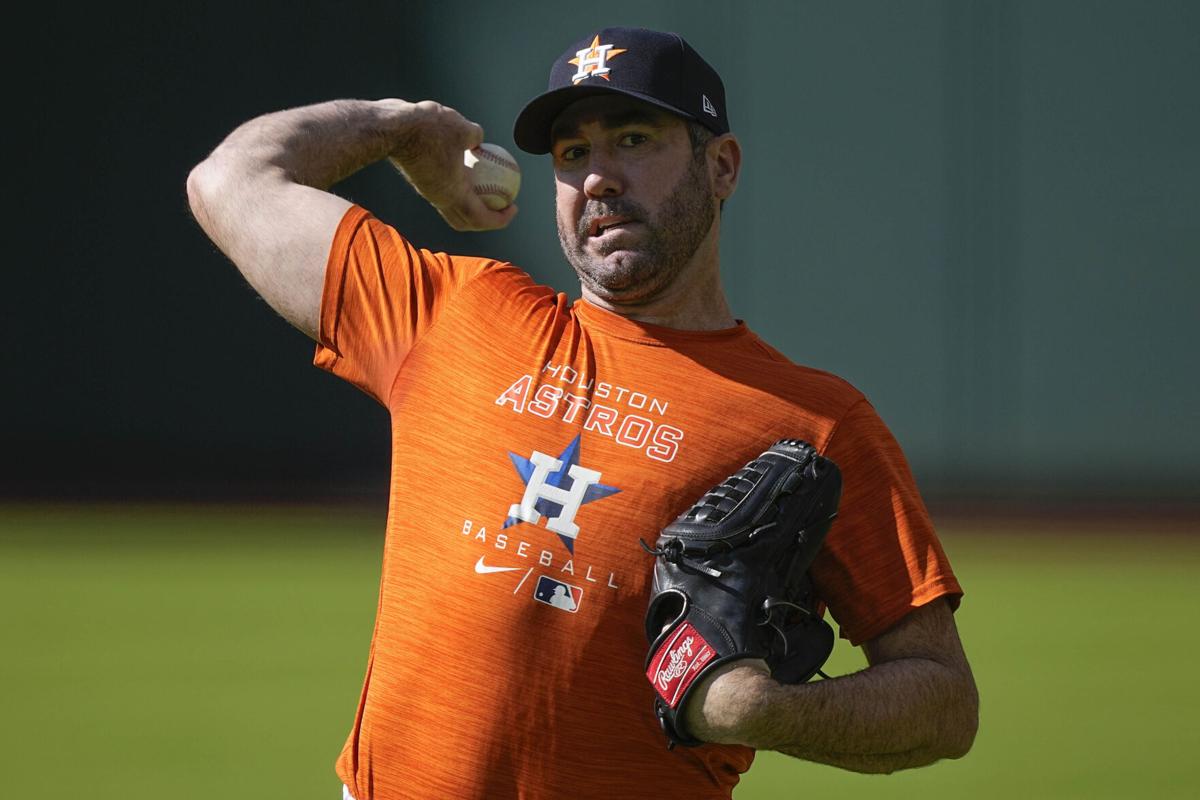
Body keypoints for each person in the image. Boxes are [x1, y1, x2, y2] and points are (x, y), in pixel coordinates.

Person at [187, 25, 977, 800]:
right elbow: (232, 180)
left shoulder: (815, 422)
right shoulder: (454, 315)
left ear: (722, 166)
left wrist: (767, 711)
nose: (598, 177)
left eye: (633, 139)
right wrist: (403, 126)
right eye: (572, 154)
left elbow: (944, 702)